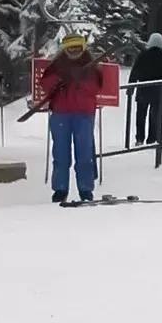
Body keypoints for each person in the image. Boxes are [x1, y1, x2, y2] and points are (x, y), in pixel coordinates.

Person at [39, 34, 104, 204]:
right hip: (61, 114)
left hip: (84, 115)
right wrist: (60, 78)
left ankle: (85, 189)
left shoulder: (91, 67)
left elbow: (96, 88)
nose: (74, 51)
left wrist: (79, 81)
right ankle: (60, 189)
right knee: (61, 154)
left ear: (83, 48)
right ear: (65, 49)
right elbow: (45, 84)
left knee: (85, 154)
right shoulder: (57, 65)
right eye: (70, 48)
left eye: (77, 48)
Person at [128, 34, 162, 146]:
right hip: (158, 91)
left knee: (141, 115)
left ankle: (139, 138)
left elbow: (135, 72)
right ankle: (152, 139)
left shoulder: (142, 56)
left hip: (143, 89)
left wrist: (131, 87)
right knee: (155, 116)